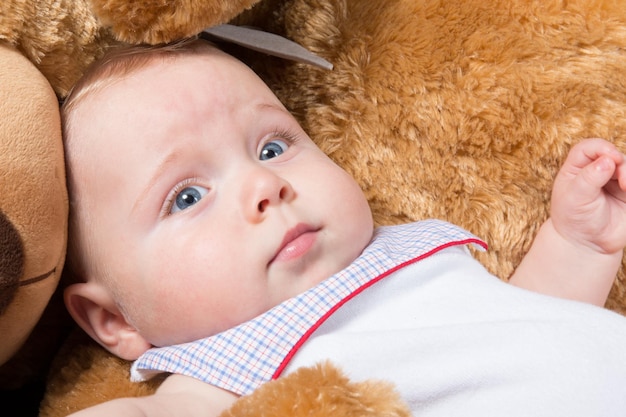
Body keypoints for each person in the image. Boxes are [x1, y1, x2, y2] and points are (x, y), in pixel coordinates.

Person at [61, 38, 626, 416]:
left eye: (273, 146)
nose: (265, 186)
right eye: (186, 196)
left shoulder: (407, 251)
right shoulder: (219, 375)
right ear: (113, 320)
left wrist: (579, 245)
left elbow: (527, 330)